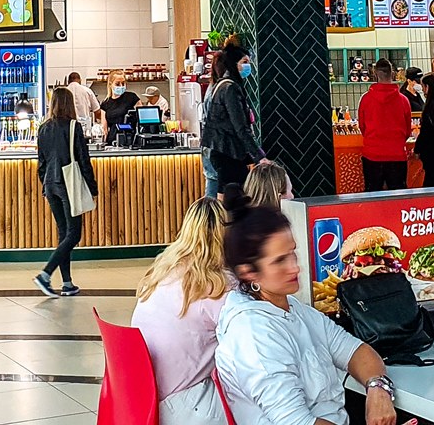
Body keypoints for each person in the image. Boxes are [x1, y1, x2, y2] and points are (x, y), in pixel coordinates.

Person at [216, 205, 400, 425]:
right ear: (249, 273)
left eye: (292, 253)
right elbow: (297, 422)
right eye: (279, 261)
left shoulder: (292, 308)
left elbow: (356, 352)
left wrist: (378, 388)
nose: (295, 267)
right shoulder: (253, 334)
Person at [131, 197, 231, 425]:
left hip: (146, 399)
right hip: (188, 406)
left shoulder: (160, 271)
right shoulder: (219, 287)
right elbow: (250, 341)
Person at [34, 86, 98, 297]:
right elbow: (83, 160)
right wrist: (92, 186)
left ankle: (67, 283)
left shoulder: (43, 128)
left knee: (64, 234)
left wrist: (44, 186)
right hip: (67, 184)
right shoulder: (73, 127)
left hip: (50, 184)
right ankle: (45, 274)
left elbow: (41, 162)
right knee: (74, 233)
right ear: (70, 104)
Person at [201, 39, 265, 197]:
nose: (248, 66)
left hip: (220, 150)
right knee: (231, 198)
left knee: (223, 194)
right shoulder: (230, 88)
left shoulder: (220, 85)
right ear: (234, 64)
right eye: (244, 62)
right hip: (228, 152)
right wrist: (258, 155)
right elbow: (240, 127)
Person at [358, 59, 412, 192]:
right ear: (392, 74)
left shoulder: (366, 99)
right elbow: (407, 130)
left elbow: (362, 127)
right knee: (398, 196)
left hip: (372, 154)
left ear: (375, 74)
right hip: (397, 154)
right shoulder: (404, 101)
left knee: (372, 195)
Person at [199, 53, 227, 199]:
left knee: (212, 186)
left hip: (210, 145)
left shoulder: (213, 87)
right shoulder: (223, 89)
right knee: (216, 190)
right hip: (218, 146)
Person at [227, 160, 293, 210]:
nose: (292, 196)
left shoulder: (241, 218)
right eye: (290, 190)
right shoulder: (279, 222)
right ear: (278, 196)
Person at [100, 70, 140, 145]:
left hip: (131, 140)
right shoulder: (105, 104)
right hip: (112, 141)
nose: (121, 86)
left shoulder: (132, 98)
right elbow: (104, 129)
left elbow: (141, 119)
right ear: (110, 84)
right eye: (117, 84)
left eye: (123, 83)